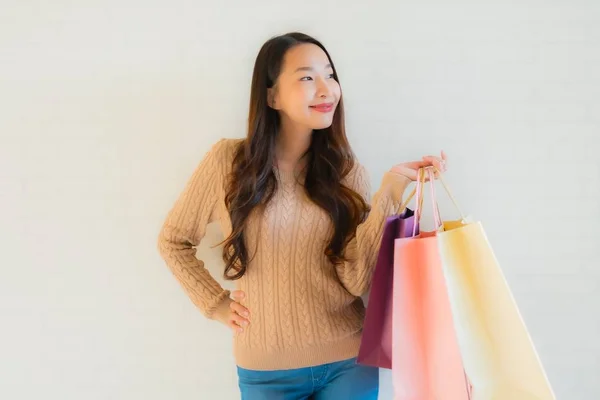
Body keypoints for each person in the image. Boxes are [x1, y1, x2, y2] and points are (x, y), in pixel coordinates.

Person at [157, 32, 447, 400]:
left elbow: (355, 279)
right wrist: (215, 304)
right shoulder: (226, 163)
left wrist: (390, 190)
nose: (327, 89)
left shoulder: (345, 171)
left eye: (330, 75)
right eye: (308, 78)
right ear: (272, 96)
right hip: (265, 371)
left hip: (348, 362)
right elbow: (173, 242)